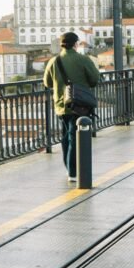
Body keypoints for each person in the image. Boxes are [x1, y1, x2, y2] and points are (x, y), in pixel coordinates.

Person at [43, 32, 100, 183]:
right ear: (75, 44)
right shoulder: (83, 59)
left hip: (61, 105)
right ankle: (74, 171)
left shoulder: (53, 61)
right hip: (80, 104)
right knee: (75, 136)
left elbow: (47, 83)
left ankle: (69, 168)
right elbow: (95, 79)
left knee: (66, 137)